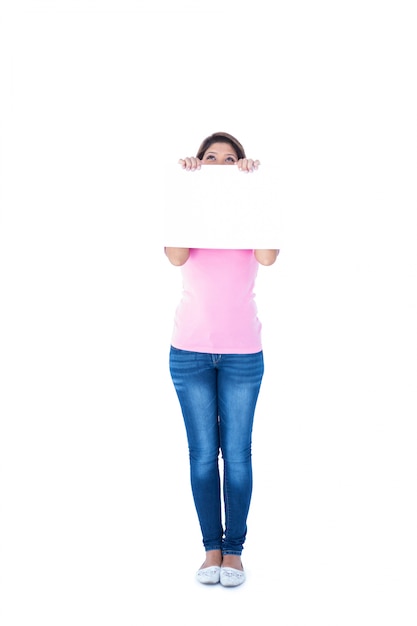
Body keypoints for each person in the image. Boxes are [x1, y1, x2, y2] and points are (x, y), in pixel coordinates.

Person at [165, 132, 279, 587]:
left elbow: (268, 257)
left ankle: (234, 552)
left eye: (228, 159)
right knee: (200, 456)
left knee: (237, 455)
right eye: (209, 157)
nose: (218, 163)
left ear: (240, 164)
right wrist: (183, 187)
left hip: (242, 355)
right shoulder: (189, 210)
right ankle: (211, 548)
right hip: (188, 351)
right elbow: (175, 256)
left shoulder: (250, 213)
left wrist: (257, 187)